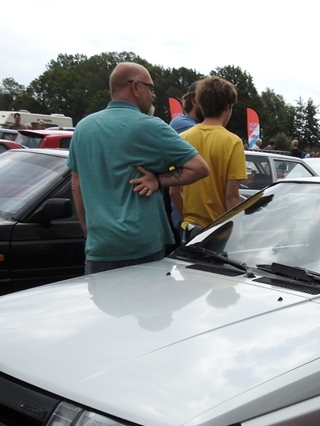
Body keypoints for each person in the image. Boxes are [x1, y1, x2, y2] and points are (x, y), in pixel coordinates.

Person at [67, 62, 209, 273]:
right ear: (135, 87)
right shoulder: (152, 126)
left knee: (103, 296)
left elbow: (76, 186)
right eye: (150, 88)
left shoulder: (83, 128)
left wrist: (89, 233)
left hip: (100, 246)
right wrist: (158, 180)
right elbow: (199, 168)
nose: (153, 95)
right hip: (142, 245)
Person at [172, 76, 247, 242]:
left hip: (191, 230)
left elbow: (173, 191)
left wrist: (187, 219)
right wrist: (238, 237)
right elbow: (231, 197)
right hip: (219, 231)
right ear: (228, 107)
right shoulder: (233, 142)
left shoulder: (183, 138)